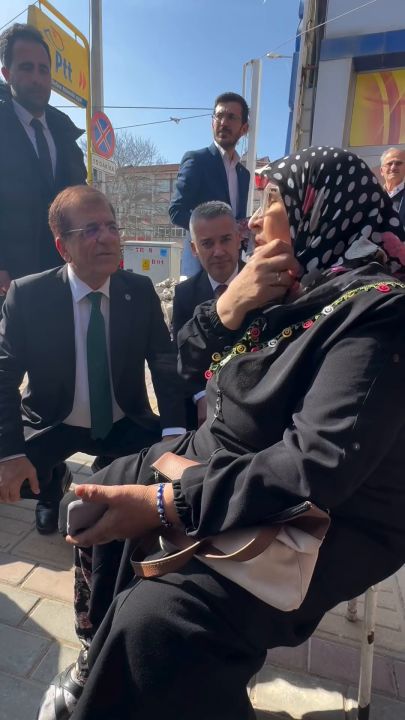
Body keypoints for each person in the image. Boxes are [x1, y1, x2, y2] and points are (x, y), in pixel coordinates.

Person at [41, 148, 405, 720]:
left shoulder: (378, 314)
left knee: (160, 620)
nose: (252, 221)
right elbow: (184, 366)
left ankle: (126, 669)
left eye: (272, 201)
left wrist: (166, 503)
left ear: (318, 209)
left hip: (319, 517)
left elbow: (317, 467)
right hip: (224, 463)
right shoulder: (294, 289)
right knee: (91, 503)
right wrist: (229, 306)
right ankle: (100, 657)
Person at [0, 185, 186, 536]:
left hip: (123, 419)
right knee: (6, 464)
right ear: (63, 248)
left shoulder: (139, 290)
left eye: (111, 226)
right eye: (90, 230)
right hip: (54, 421)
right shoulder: (28, 296)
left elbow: (164, 362)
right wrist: (9, 455)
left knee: (176, 455)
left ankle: (111, 467)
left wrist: (173, 432)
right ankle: (51, 486)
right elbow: (4, 374)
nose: (107, 238)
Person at [0, 23, 87, 287]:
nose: (37, 78)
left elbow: (79, 199)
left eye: (43, 69)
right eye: (26, 68)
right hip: (10, 280)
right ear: (7, 74)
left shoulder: (65, 134)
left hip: (64, 276)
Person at [172, 200, 243, 428]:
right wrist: (201, 396)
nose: (218, 251)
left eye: (225, 239)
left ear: (239, 238)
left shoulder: (264, 284)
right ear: (194, 249)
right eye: (207, 243)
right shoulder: (185, 294)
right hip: (202, 416)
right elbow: (182, 356)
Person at [169, 91, 250, 276]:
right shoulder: (197, 161)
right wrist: (213, 233)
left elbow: (236, 221)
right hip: (200, 269)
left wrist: (247, 228)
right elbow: (176, 211)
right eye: (219, 116)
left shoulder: (243, 175)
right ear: (212, 122)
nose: (223, 122)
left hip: (232, 269)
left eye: (231, 117)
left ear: (244, 128)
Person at [380, 147, 405, 226]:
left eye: (398, 163)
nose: (393, 167)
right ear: (381, 171)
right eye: (389, 164)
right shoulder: (373, 196)